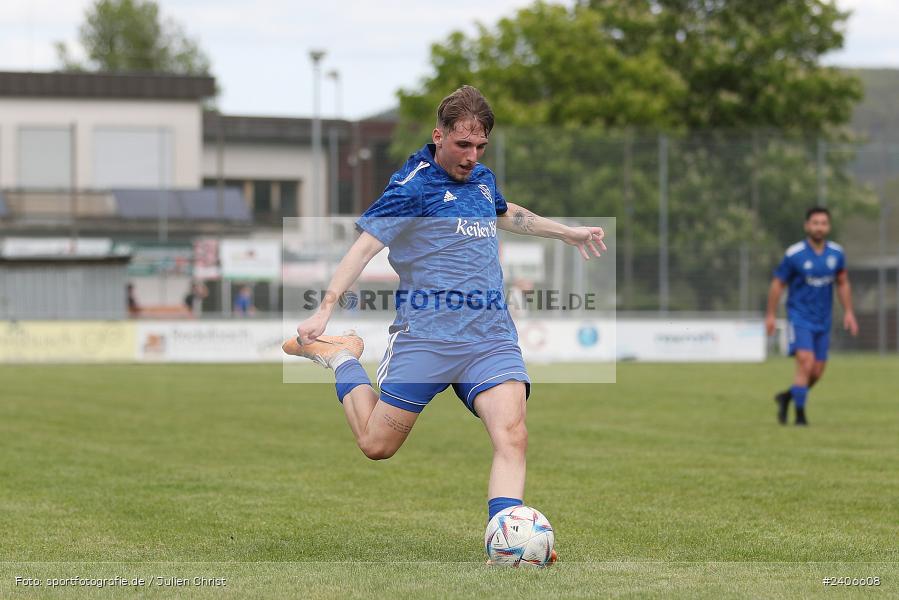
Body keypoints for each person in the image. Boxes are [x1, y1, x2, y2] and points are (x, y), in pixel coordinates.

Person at [283, 86, 606, 555]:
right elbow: (364, 246)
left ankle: (510, 539)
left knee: (512, 433)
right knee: (376, 445)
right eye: (462, 145)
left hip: (489, 337)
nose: (472, 156)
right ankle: (340, 357)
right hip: (427, 340)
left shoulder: (480, 180)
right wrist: (327, 306)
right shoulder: (412, 187)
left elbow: (506, 211)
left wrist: (566, 233)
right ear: (438, 136)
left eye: (480, 147)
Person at [765, 207, 858, 426]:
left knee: (816, 372)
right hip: (799, 317)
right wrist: (770, 314)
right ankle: (800, 417)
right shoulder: (794, 254)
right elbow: (778, 284)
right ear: (807, 226)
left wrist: (849, 312)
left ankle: (787, 397)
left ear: (829, 226)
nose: (819, 227)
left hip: (823, 319)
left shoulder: (836, 253)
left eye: (823, 223)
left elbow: (843, 283)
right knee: (805, 364)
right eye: (815, 223)